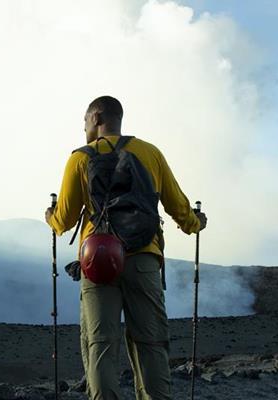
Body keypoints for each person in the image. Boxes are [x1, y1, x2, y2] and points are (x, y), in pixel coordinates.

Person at [45, 96, 207, 400]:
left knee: (100, 344)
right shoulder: (150, 153)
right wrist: (195, 223)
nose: (83, 128)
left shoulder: (79, 158)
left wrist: (50, 216)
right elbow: (177, 205)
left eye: (84, 121)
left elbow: (63, 220)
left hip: (98, 260)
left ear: (96, 118)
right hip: (143, 259)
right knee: (151, 342)